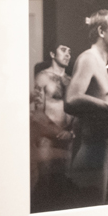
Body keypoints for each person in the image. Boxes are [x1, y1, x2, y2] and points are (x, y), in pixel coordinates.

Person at [65, 10, 108, 205]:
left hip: (102, 164)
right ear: (101, 31)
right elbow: (71, 100)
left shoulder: (101, 64)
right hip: (90, 163)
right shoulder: (88, 59)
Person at [29, 44, 74, 204]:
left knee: (63, 183)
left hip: (67, 138)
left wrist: (71, 132)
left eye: (69, 51)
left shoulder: (71, 80)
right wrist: (55, 131)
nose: (68, 54)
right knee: (44, 181)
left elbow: (76, 111)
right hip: (46, 136)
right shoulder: (43, 77)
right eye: (63, 50)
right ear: (52, 53)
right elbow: (39, 112)